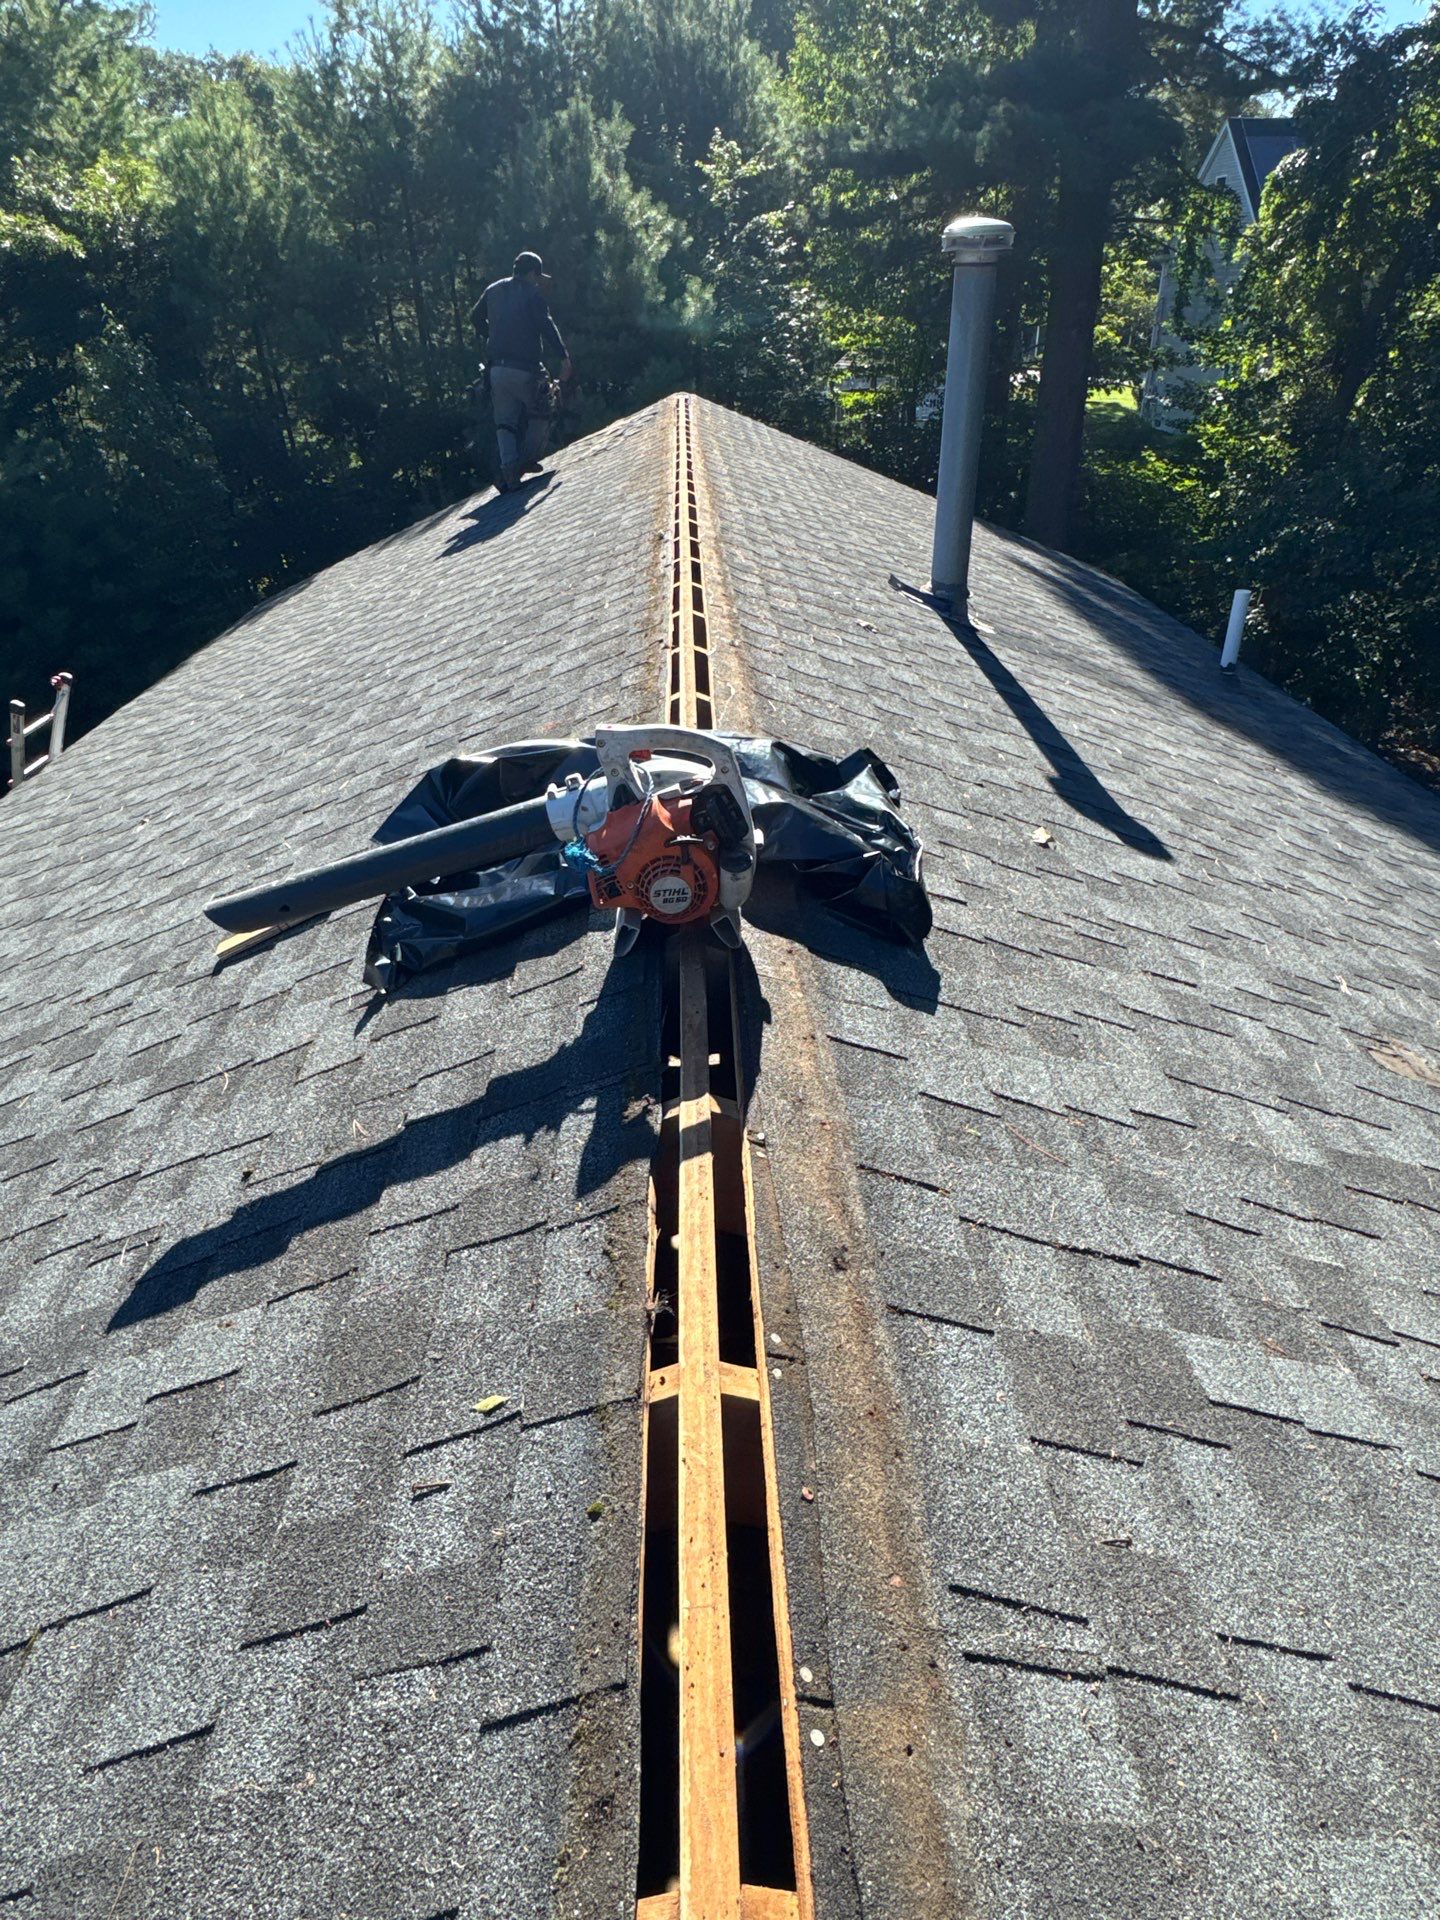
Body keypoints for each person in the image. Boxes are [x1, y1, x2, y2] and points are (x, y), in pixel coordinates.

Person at [475, 250, 574, 491]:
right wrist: (564, 357)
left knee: (505, 423)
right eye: (537, 276)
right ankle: (525, 461)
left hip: (497, 370)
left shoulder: (493, 290)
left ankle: (508, 469)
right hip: (526, 369)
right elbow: (546, 325)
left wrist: (493, 336)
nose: (538, 280)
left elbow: (475, 318)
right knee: (544, 411)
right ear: (532, 273)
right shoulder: (532, 293)